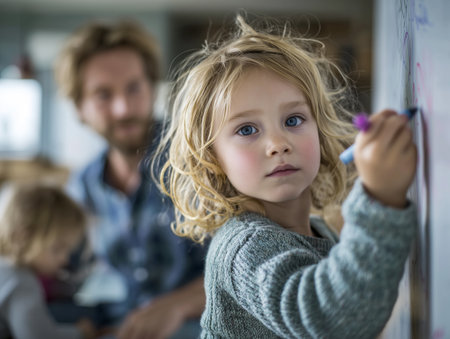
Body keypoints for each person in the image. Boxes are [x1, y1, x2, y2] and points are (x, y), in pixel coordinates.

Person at [155, 14, 418, 338]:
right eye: (247, 129)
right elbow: (330, 321)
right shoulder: (243, 248)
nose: (278, 145)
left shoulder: (320, 232)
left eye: (293, 120)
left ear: (319, 131)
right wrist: (379, 199)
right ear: (213, 160)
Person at [54, 20, 206, 339]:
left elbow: (247, 265)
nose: (123, 108)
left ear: (152, 87)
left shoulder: (204, 162)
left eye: (134, 88)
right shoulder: (80, 189)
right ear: (79, 108)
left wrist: (177, 305)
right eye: (103, 94)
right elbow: (63, 275)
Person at [0, 183, 97, 339]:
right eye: (58, 248)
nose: (65, 259)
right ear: (23, 238)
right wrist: (80, 332)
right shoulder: (21, 282)